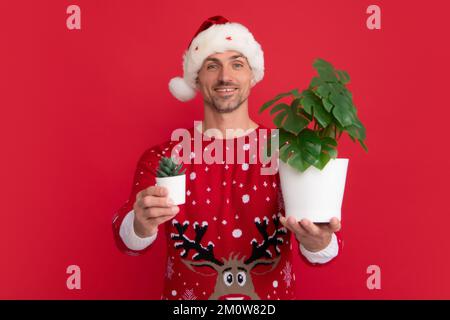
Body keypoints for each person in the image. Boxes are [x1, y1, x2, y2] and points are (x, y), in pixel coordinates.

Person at [112, 16, 342, 300]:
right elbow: (128, 243)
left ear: (252, 74)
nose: (225, 77)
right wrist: (140, 223)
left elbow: (324, 252)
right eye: (212, 65)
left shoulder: (287, 152)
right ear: (196, 78)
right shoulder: (163, 157)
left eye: (237, 64)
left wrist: (318, 241)